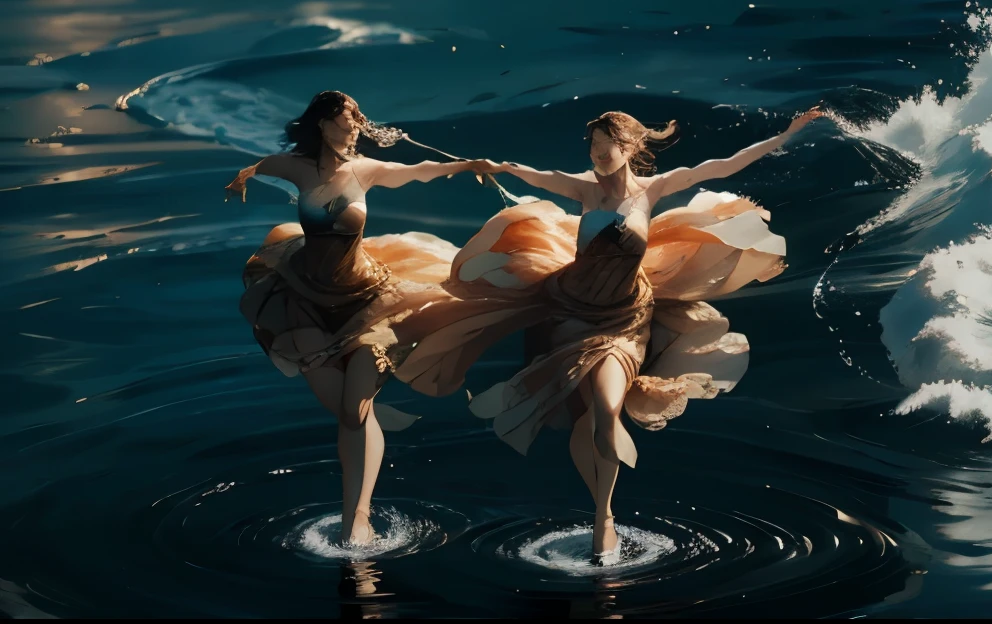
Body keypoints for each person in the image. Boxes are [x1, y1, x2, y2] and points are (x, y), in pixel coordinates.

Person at [395, 107, 823, 564]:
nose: (598, 156)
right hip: (571, 312)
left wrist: (786, 133)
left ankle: (604, 520)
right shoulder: (583, 188)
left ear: (630, 148)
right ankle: (603, 517)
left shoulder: (651, 191)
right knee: (589, 416)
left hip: (624, 320)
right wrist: (491, 166)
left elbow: (723, 166)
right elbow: (534, 175)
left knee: (605, 410)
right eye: (593, 148)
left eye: (607, 148)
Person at [225, 90, 489, 545]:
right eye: (346, 118)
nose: (354, 125)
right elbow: (261, 165)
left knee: (354, 410)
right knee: (350, 415)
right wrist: (242, 179)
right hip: (305, 297)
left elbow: (416, 172)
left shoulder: (363, 171)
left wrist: (466, 166)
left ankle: (356, 519)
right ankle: (356, 516)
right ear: (323, 124)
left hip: (366, 298)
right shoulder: (297, 168)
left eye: (355, 118)